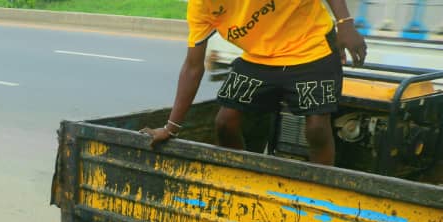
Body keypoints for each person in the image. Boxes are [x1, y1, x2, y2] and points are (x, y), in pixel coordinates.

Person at [144, 0, 368, 165]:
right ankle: (244, 178)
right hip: (260, 57)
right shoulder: (202, 6)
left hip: (311, 47)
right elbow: (193, 66)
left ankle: (321, 194)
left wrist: (345, 24)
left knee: (317, 128)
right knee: (225, 121)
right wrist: (171, 128)